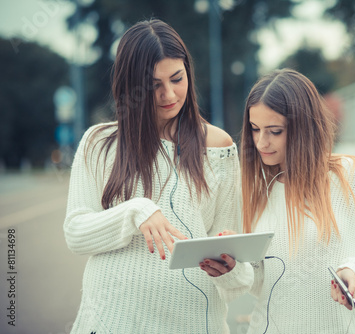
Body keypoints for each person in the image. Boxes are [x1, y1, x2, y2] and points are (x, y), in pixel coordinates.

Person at [64, 19, 252, 334]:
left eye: (177, 79)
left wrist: (229, 271)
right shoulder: (99, 142)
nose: (169, 94)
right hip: (113, 321)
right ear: (129, 86)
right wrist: (135, 211)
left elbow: (238, 271)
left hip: (192, 322)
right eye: (153, 85)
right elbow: (76, 233)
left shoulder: (219, 147)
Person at [202, 69, 355, 333]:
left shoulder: (354, 177)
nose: (261, 142)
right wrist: (232, 269)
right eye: (255, 128)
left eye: (275, 131)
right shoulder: (250, 189)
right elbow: (259, 282)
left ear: (304, 127)